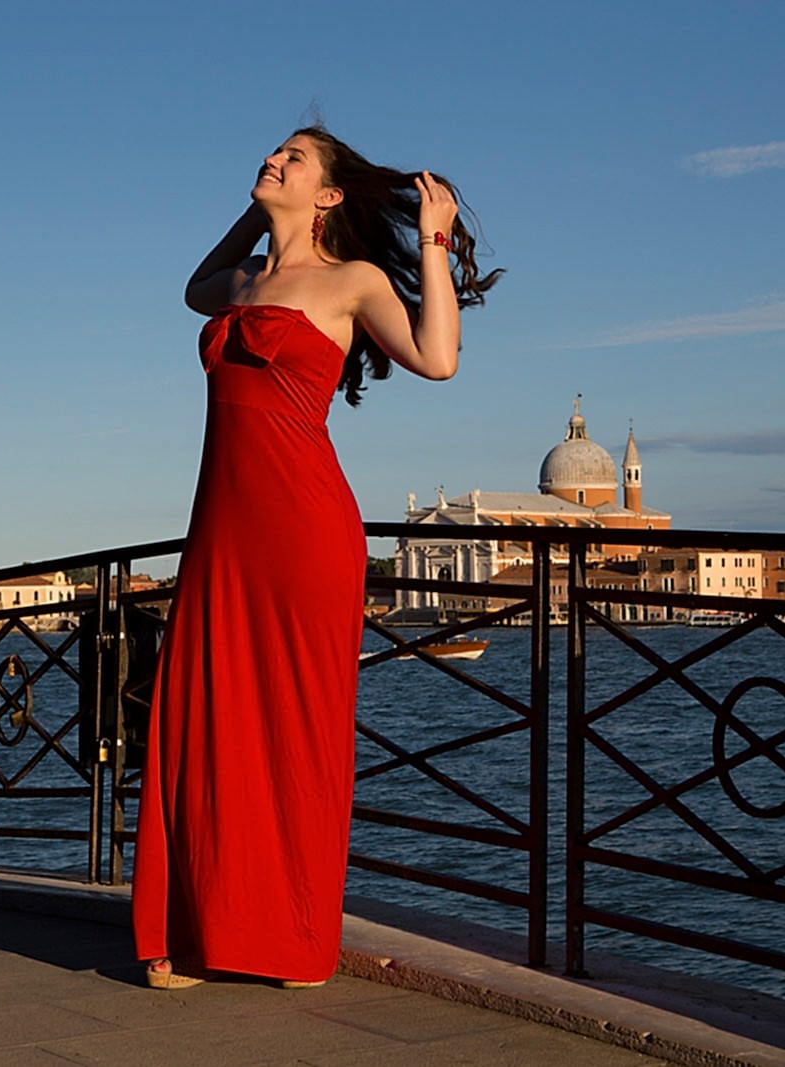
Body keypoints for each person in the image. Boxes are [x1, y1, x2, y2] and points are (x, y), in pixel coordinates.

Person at [131, 126, 499, 990]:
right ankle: (196, 931)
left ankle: (290, 937)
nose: (275, 160)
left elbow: (437, 360)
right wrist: (256, 216)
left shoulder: (352, 283)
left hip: (304, 530)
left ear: (330, 194)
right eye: (273, 152)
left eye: (294, 159)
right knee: (201, 716)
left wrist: (436, 242)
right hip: (220, 532)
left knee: (295, 729)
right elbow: (192, 290)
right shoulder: (241, 282)